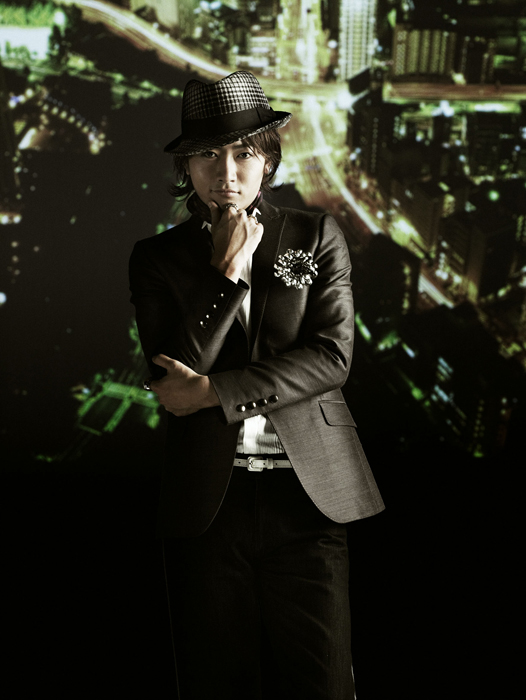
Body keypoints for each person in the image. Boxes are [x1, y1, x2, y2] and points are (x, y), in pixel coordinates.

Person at [129, 71, 384, 700]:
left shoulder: (315, 235)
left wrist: (214, 393)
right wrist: (226, 276)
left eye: (244, 152)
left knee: (324, 683)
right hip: (207, 504)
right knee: (215, 684)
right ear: (186, 167)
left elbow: (331, 358)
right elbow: (171, 376)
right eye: (207, 155)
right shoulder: (156, 259)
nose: (227, 173)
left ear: (268, 160)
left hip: (308, 498)